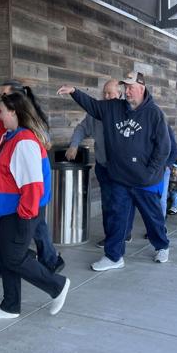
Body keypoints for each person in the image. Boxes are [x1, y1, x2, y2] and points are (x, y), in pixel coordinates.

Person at [57, 71, 171, 269]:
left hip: (144, 180)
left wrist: (150, 172)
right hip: (119, 177)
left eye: (130, 87)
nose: (126, 91)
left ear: (141, 88)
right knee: (116, 217)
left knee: (152, 217)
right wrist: (74, 92)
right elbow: (92, 105)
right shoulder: (113, 108)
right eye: (125, 87)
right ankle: (114, 257)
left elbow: (164, 147)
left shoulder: (154, 114)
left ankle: (162, 245)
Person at [0, 92, 70, 320]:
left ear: (13, 112)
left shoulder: (24, 142)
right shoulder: (9, 137)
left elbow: (32, 185)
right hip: (5, 210)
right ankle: (10, 305)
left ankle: (57, 286)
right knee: (7, 257)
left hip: (20, 212)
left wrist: (25, 216)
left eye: (2, 112)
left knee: (12, 258)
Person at [66, 79, 134, 247]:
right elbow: (82, 128)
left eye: (109, 93)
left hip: (122, 168)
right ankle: (111, 236)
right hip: (103, 167)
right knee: (107, 202)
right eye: (104, 92)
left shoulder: (127, 111)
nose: (105, 96)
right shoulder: (96, 112)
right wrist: (74, 145)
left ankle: (124, 233)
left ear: (119, 94)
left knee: (122, 202)